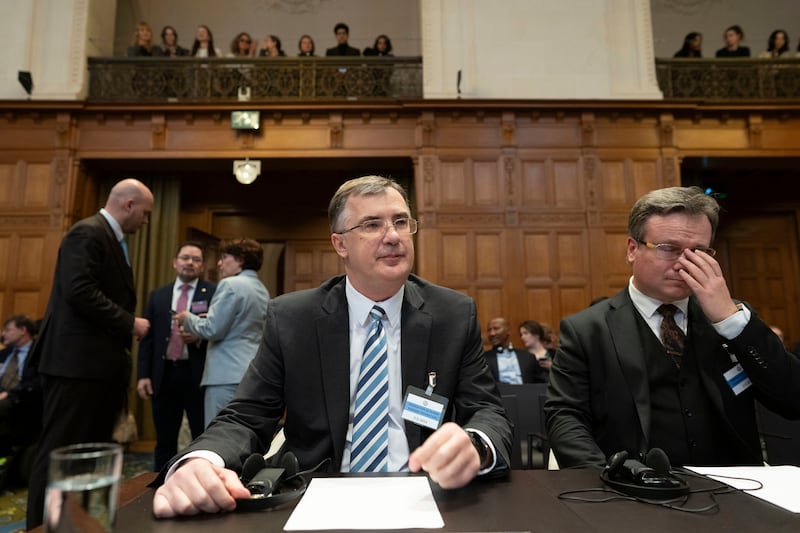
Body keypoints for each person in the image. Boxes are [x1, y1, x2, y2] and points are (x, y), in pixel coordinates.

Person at [151, 176, 512, 518]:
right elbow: (246, 416)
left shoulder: (452, 313)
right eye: (372, 225)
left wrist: (475, 444)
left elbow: (487, 411)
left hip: (427, 494)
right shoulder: (293, 318)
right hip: (316, 494)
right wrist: (200, 461)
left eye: (401, 222)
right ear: (340, 244)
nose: (393, 236)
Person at [545, 186, 800, 470]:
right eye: (669, 249)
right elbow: (565, 416)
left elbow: (792, 399)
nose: (684, 264)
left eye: (698, 252)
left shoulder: (733, 319)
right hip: (632, 494)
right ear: (632, 249)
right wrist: (605, 478)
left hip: (735, 490)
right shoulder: (586, 329)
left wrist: (731, 322)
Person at [26, 178, 154, 529]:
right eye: (145, 213)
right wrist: (131, 323)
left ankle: (77, 524)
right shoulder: (87, 234)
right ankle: (40, 526)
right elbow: (79, 291)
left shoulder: (109, 238)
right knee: (59, 454)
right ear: (129, 205)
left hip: (95, 368)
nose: (146, 221)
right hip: (74, 366)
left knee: (87, 457)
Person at [137, 242, 217, 471]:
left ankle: (202, 480)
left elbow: (221, 330)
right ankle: (160, 484)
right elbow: (148, 339)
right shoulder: (158, 296)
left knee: (202, 437)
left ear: (202, 266)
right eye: (185, 258)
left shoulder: (213, 292)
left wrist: (201, 337)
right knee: (164, 440)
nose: (190, 263)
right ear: (175, 263)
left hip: (197, 374)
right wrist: (143, 375)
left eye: (196, 259)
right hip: (164, 375)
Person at [176, 238, 269, 427]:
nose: (219, 263)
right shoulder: (261, 289)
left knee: (219, 435)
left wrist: (187, 318)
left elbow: (212, 329)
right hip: (251, 372)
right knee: (243, 433)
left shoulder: (230, 285)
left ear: (240, 260)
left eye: (224, 257)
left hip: (225, 375)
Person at [0, 315, 40, 456]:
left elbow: (39, 382)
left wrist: (10, 394)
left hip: (22, 398)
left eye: (8, 330)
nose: (3, 334)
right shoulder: (4, 354)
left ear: (23, 330)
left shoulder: (39, 353)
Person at [483, 317, 546, 384]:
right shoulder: (483, 359)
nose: (492, 333)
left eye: (496, 328)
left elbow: (542, 383)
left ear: (508, 331)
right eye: (489, 330)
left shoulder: (528, 357)